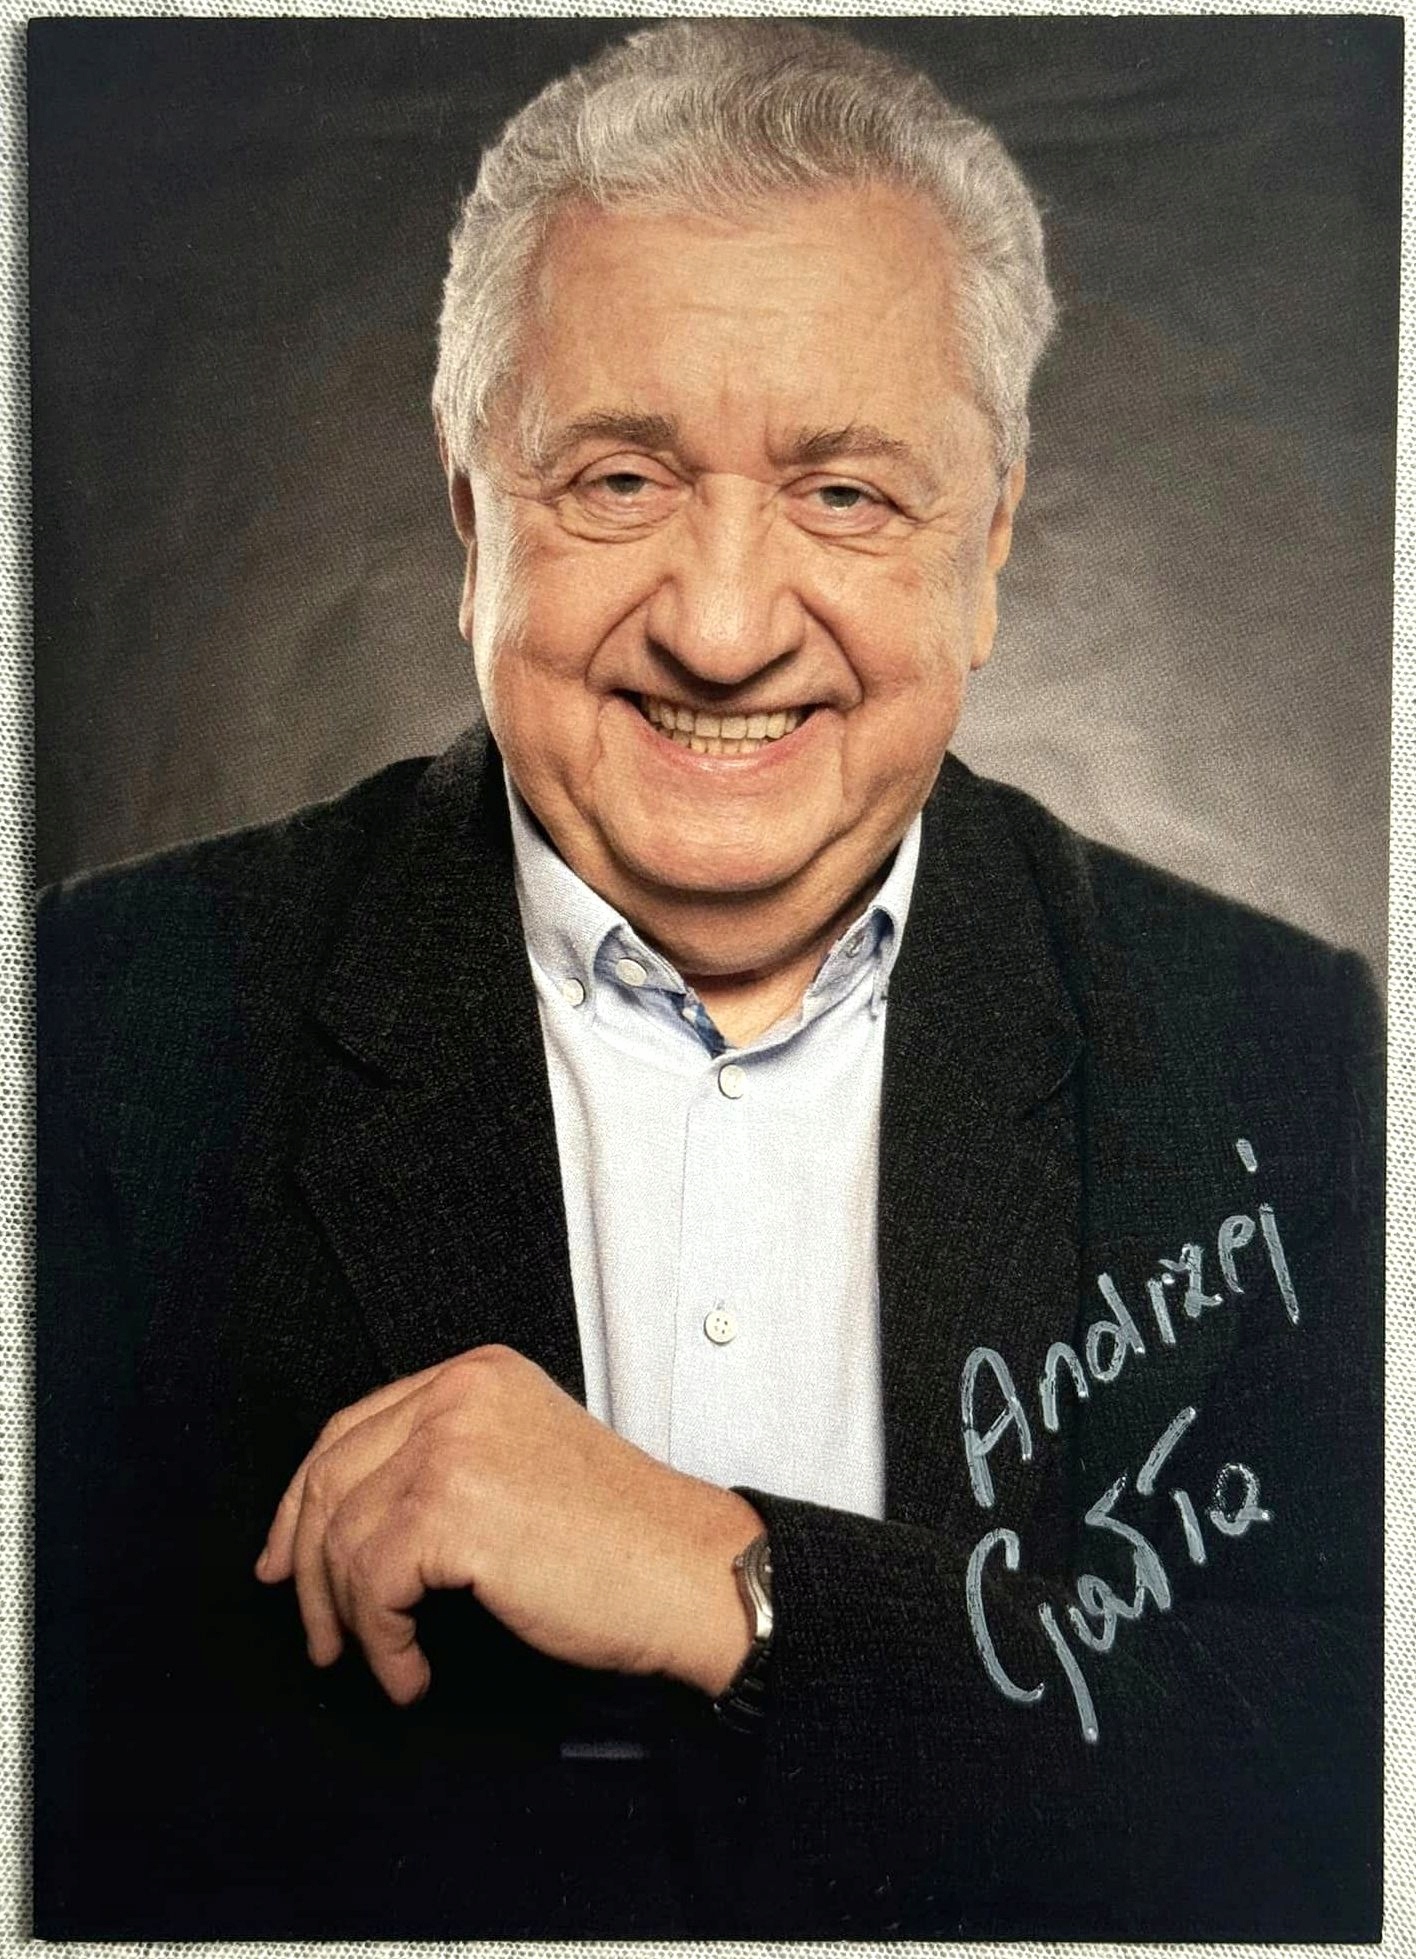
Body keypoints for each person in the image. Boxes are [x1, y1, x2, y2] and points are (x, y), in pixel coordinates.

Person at [36, 19, 1382, 1942]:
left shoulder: (1290, 1061)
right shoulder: (92, 1033)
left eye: (847, 494)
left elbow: (1338, 1798)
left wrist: (736, 1583)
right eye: (619, 479)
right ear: (471, 517)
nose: (728, 627)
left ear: (990, 543)